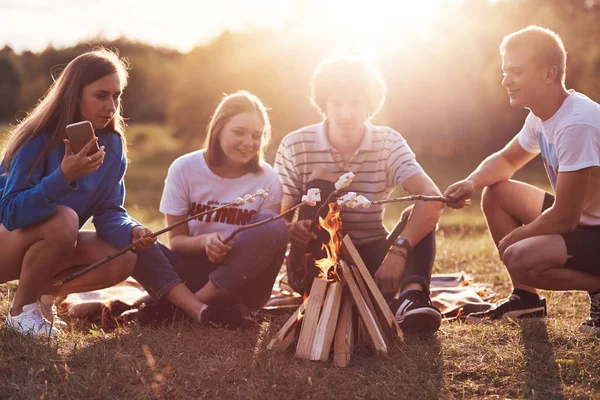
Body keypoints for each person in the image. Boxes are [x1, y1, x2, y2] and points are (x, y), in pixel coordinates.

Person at [444, 26, 600, 333]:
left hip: (588, 225)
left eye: (515, 71)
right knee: (496, 193)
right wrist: (471, 182)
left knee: (518, 257)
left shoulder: (577, 124)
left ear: (548, 74)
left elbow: (566, 218)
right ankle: (526, 301)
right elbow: (506, 160)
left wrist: (520, 234)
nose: (505, 81)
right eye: (505, 71)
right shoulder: (542, 116)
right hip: (586, 220)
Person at [274, 56, 444, 333]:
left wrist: (398, 251)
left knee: (418, 211)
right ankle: (323, 295)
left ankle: (411, 299)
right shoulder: (296, 144)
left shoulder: (388, 142)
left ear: (370, 106)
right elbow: (277, 215)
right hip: (311, 258)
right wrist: (291, 228)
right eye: (337, 103)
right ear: (324, 104)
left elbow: (431, 197)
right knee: (322, 179)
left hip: (371, 253)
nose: (346, 113)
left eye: (355, 104)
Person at [0, 49, 156, 337]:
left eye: (116, 96)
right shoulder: (36, 138)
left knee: (122, 255)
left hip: (44, 249)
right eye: (101, 95)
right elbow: (10, 213)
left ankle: (42, 299)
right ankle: (20, 312)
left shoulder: (111, 146)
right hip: (5, 243)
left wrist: (131, 231)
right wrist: (64, 177)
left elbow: (110, 211)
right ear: (74, 94)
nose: (111, 105)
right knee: (64, 220)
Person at [132, 91, 287, 328]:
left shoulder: (267, 179)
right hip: (191, 274)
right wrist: (205, 242)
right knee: (131, 239)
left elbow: (267, 241)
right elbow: (177, 241)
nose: (249, 143)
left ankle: (184, 308)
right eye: (239, 132)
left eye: (257, 136)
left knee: (273, 224)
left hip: (243, 284)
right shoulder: (184, 168)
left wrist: (234, 249)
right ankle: (206, 311)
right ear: (218, 129)